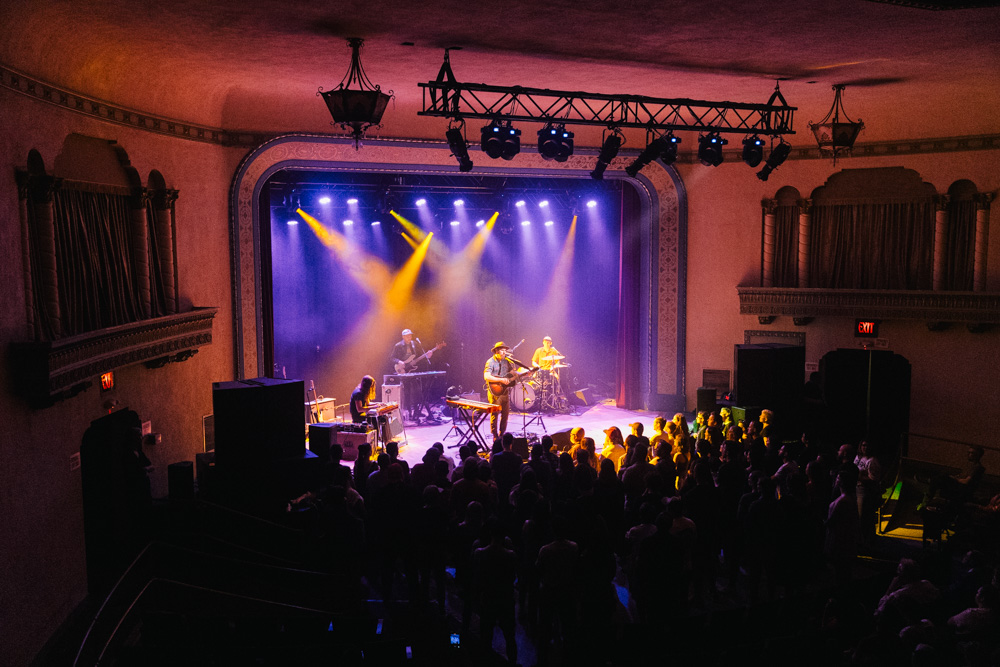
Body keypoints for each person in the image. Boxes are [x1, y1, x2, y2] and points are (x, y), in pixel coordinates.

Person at [484, 341, 517, 441]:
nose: (504, 352)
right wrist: (500, 380)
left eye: (505, 350)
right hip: (495, 392)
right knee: (495, 414)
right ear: (496, 351)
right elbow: (486, 376)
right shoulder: (490, 362)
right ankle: (495, 436)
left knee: (505, 414)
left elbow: (513, 373)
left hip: (505, 391)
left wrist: (524, 373)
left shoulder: (507, 361)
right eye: (502, 350)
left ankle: (502, 434)